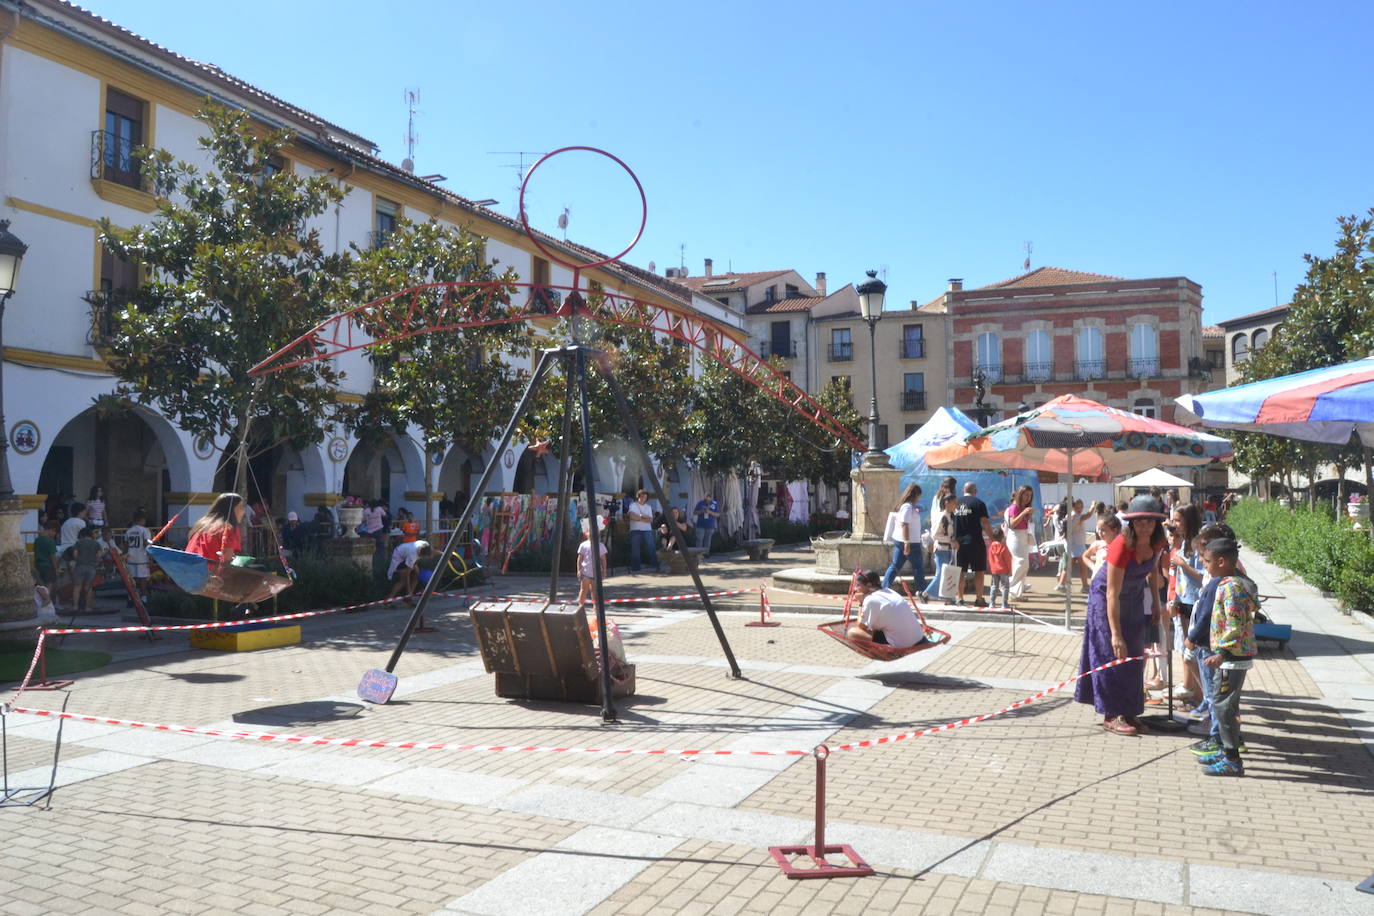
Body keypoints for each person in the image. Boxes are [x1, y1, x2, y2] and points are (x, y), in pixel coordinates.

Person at [1074, 494, 1167, 736]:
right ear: (1132, 524)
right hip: (1105, 602)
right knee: (1111, 653)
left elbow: (1154, 572)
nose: (1144, 526)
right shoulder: (1121, 545)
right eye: (1139, 521)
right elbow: (1111, 594)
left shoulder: (1158, 543)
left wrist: (1156, 604)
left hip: (1134, 599)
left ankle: (1129, 710)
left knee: (1134, 656)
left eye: (1149, 521)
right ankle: (1111, 714)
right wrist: (1115, 634)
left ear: (1156, 523)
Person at [1192, 537, 1258, 776]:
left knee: (1224, 707)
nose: (1203, 563)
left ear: (1222, 561)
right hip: (1233, 656)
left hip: (1231, 658)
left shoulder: (1230, 587)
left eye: (1207, 560)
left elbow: (1234, 624)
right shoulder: (1233, 583)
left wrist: (1221, 652)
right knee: (1224, 705)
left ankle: (1232, 758)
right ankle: (1225, 750)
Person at [847, 569, 925, 648]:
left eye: (858, 585)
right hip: (918, 638)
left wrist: (861, 603)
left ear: (869, 585)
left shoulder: (870, 599)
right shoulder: (889, 591)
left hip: (901, 645)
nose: (855, 589)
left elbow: (861, 626)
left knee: (852, 633)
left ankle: (880, 651)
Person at [952, 482, 992, 606]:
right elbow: (985, 523)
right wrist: (993, 538)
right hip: (975, 542)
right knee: (979, 571)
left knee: (960, 571)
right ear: (975, 491)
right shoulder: (979, 503)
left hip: (958, 543)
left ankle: (959, 598)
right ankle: (979, 599)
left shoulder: (955, 503)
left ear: (963, 490)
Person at [882, 483, 925, 593]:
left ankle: (883, 588)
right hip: (910, 542)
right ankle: (921, 591)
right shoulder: (907, 507)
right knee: (918, 567)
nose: (919, 499)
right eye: (919, 496)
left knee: (896, 566)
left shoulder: (906, 506)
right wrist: (907, 542)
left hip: (903, 540)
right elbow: (905, 524)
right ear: (915, 495)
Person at [186, 492, 246, 567]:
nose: (244, 511)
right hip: (210, 573)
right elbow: (227, 559)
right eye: (241, 507)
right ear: (230, 509)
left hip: (189, 568)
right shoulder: (228, 528)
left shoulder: (202, 524)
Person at [923, 492, 958, 601]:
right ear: (947, 503)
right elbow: (935, 535)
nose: (955, 505)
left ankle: (947, 597)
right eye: (954, 503)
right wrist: (951, 541)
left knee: (945, 574)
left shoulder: (949, 516)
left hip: (948, 550)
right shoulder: (942, 516)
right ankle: (925, 594)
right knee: (941, 574)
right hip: (941, 549)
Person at [1004, 485, 1036, 600]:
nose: (1028, 498)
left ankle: (1016, 592)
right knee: (1021, 563)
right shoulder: (1014, 507)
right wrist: (1023, 514)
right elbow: (1012, 524)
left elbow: (1023, 523)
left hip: (1022, 536)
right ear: (1020, 494)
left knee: (1023, 564)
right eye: (1026, 495)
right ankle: (1008, 586)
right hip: (1016, 537)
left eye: (1030, 496)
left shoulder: (1022, 507)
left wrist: (1028, 515)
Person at [65, 526, 102, 612]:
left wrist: (78, 560)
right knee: (88, 588)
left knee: (77, 587)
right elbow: (99, 556)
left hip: (80, 566)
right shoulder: (96, 544)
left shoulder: (78, 543)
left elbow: (75, 554)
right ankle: (87, 607)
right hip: (92, 567)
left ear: (82, 535)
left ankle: (75, 606)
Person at [386, 539, 434, 604]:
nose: (426, 559)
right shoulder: (413, 556)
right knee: (403, 581)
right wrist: (409, 590)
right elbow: (407, 575)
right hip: (399, 557)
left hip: (407, 553)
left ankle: (408, 598)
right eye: (425, 558)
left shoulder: (425, 545)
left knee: (417, 575)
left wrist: (444, 554)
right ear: (422, 555)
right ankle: (388, 600)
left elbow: (433, 551)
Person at [577, 517, 609, 610]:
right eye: (590, 531)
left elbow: (603, 559)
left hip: (596, 573)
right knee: (583, 590)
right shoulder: (583, 545)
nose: (592, 534)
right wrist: (579, 570)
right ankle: (580, 607)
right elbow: (580, 558)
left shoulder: (600, 545)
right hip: (585, 572)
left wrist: (604, 570)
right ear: (586, 533)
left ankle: (596, 607)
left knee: (595, 591)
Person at [626, 490, 659, 574]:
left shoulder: (648, 507)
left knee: (651, 547)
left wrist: (639, 517)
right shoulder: (633, 505)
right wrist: (643, 517)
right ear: (638, 496)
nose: (643, 498)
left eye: (645, 497)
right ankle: (636, 568)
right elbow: (631, 516)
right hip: (635, 530)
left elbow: (650, 520)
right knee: (635, 549)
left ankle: (655, 565)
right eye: (642, 496)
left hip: (646, 530)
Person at [124, 512, 152, 603]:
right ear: (141, 520)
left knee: (132, 579)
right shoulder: (145, 531)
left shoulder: (128, 531)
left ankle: (130, 597)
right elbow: (146, 544)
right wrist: (150, 556)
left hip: (131, 557)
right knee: (143, 579)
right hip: (142, 558)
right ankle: (144, 598)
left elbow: (125, 545)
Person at [33, 520, 61, 610]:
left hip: (38, 565)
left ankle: (42, 601)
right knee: (49, 585)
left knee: (40, 585)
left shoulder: (37, 540)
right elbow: (53, 557)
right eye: (55, 533)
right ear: (52, 530)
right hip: (48, 566)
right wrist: (56, 569)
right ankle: (47, 601)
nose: (55, 535)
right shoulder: (50, 541)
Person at [987, 526, 1012, 607]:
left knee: (994, 586)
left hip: (994, 570)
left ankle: (992, 602)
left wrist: (991, 568)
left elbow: (990, 559)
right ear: (1002, 537)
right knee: (1005, 587)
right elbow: (1008, 560)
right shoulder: (1004, 548)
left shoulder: (991, 548)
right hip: (1004, 570)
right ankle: (1004, 603)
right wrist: (1009, 570)